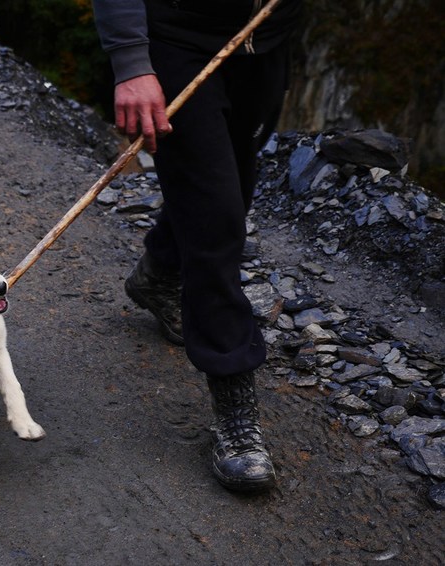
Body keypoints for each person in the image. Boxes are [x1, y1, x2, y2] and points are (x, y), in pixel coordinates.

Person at [92, 0, 303, 492]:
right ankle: (234, 404)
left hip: (264, 41)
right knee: (215, 218)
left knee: (232, 191)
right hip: (176, 42)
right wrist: (131, 61)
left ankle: (160, 274)